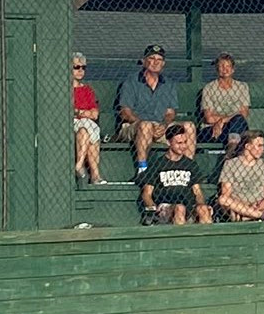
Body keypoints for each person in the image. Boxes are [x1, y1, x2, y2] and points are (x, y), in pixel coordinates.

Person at [114, 43, 178, 174]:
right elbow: (125, 112)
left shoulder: (169, 84)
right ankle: (142, 170)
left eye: (159, 59)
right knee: (146, 125)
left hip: (161, 127)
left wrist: (164, 125)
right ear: (144, 61)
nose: (155, 62)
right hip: (134, 126)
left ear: (163, 63)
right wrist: (142, 123)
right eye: (152, 59)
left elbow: (170, 113)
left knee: (188, 127)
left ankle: (187, 170)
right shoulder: (131, 82)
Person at [138, 121, 211, 225]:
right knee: (179, 208)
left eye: (185, 142)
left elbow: (197, 192)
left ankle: (206, 240)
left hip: (188, 204)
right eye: (179, 143)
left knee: (203, 209)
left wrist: (201, 205)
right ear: (168, 142)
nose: (183, 146)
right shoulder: (158, 164)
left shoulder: (190, 164)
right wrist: (152, 208)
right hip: (166, 206)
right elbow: (147, 193)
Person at [214, 130, 264, 221]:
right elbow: (226, 193)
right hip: (237, 204)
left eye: (263, 146)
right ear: (247, 146)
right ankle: (258, 215)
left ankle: (247, 216)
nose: (262, 149)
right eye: (259, 146)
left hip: (259, 205)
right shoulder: (231, 164)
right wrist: (246, 207)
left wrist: (262, 204)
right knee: (223, 199)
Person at [197, 53, 252, 155]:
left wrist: (222, 120)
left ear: (233, 69)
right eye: (222, 66)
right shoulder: (209, 88)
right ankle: (233, 151)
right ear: (217, 69)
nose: (225, 69)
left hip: (236, 126)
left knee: (239, 120)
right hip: (214, 130)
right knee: (237, 121)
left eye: (228, 66)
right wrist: (223, 121)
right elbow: (209, 118)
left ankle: (231, 150)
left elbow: (243, 114)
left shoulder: (242, 87)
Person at [71, 52, 106, 184]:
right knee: (86, 129)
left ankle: (79, 165)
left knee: (86, 129)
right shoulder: (64, 89)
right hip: (73, 123)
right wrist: (84, 113)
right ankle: (95, 174)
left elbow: (94, 114)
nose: (80, 70)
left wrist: (78, 111)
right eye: (76, 67)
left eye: (83, 67)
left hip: (85, 124)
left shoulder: (87, 90)